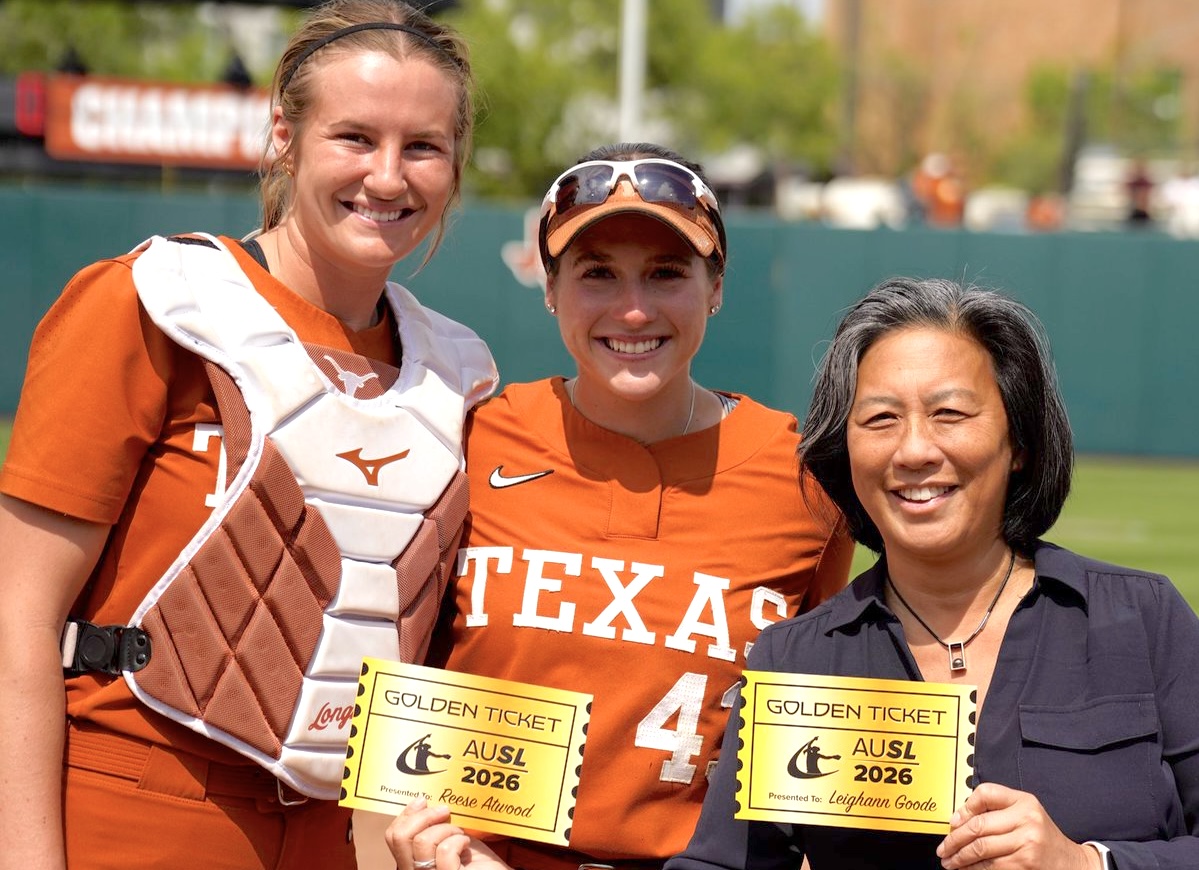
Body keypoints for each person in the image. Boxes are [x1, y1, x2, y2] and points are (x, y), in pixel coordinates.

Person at [0, 2, 496, 868]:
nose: (387, 177)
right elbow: (18, 621)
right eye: (353, 137)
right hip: (130, 804)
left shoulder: (460, 372)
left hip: (329, 834)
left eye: (422, 146)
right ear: (284, 135)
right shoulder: (157, 303)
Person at [378, 143, 854, 870]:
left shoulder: (802, 479)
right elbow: (382, 692)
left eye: (666, 273)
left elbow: (811, 737)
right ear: (549, 285)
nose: (633, 309)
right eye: (596, 273)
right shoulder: (469, 438)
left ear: (715, 285)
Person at [669, 277, 1199, 869]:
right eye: (880, 419)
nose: (914, 450)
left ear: (1017, 440)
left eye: (949, 413)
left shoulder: (1145, 621)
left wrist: (1087, 863)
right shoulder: (796, 659)